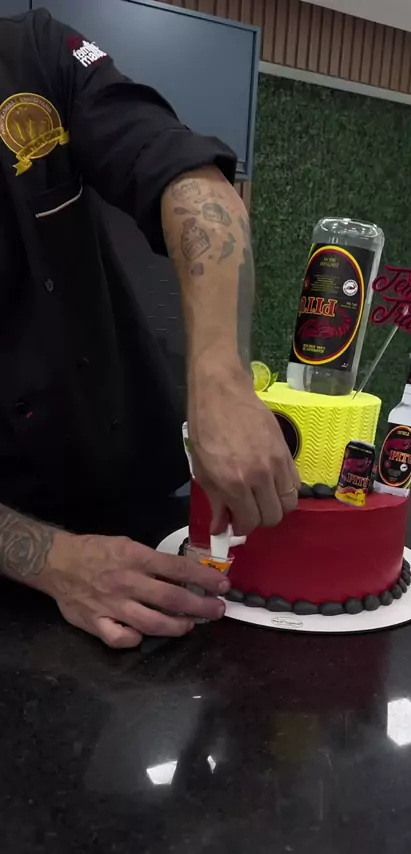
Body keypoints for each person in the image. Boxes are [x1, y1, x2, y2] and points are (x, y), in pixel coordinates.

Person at [0, 9, 300, 647]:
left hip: (129, 493)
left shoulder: (30, 54)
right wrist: (54, 561)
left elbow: (187, 177)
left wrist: (221, 379)